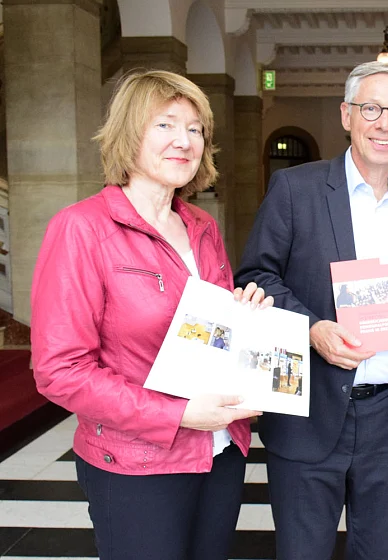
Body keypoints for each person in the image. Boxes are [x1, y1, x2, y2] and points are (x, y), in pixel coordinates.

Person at [30, 70, 273, 560]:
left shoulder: (201, 224)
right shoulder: (81, 229)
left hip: (220, 449)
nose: (183, 141)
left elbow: (205, 330)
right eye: (165, 125)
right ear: (128, 133)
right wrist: (180, 413)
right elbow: (59, 371)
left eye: (195, 128)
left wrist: (243, 314)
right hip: (136, 464)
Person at [236, 60, 388, 559]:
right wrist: (312, 330)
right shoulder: (296, 189)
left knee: (377, 551)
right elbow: (254, 277)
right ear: (346, 115)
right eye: (372, 108)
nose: (385, 122)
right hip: (308, 407)